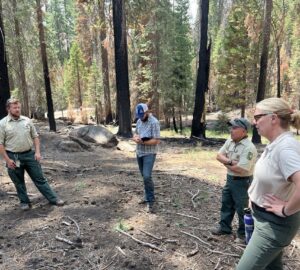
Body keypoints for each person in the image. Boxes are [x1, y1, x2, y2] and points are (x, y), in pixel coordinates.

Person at [236, 98, 300, 270]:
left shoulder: (285, 148)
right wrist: (254, 199)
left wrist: (286, 209)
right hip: (262, 217)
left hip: (274, 225)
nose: (253, 122)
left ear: (274, 118)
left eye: (257, 117)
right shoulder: (276, 145)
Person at [0, 98, 64, 210]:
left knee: (40, 178)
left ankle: (53, 199)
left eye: (18, 107)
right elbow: (0, 144)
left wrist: (38, 152)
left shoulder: (27, 120)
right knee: (18, 181)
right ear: (8, 109)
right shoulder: (2, 124)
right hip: (13, 157)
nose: (17, 109)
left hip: (30, 155)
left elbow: (35, 136)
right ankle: (24, 202)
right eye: (14, 108)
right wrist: (7, 160)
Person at [211, 117, 257, 241]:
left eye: (235, 128)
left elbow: (241, 169)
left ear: (244, 131)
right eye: (231, 127)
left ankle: (243, 234)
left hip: (242, 182)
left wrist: (225, 162)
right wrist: (231, 162)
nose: (231, 130)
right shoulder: (230, 141)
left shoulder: (249, 148)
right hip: (230, 179)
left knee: (242, 209)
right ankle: (225, 228)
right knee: (226, 204)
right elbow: (218, 156)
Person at [132, 103, 160, 213]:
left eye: (142, 115)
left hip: (149, 153)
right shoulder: (139, 121)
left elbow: (157, 140)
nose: (140, 117)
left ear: (147, 112)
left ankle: (151, 201)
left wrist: (143, 141)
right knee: (144, 176)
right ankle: (147, 195)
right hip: (139, 152)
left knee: (147, 176)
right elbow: (135, 134)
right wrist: (135, 138)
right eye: (139, 115)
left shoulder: (154, 122)